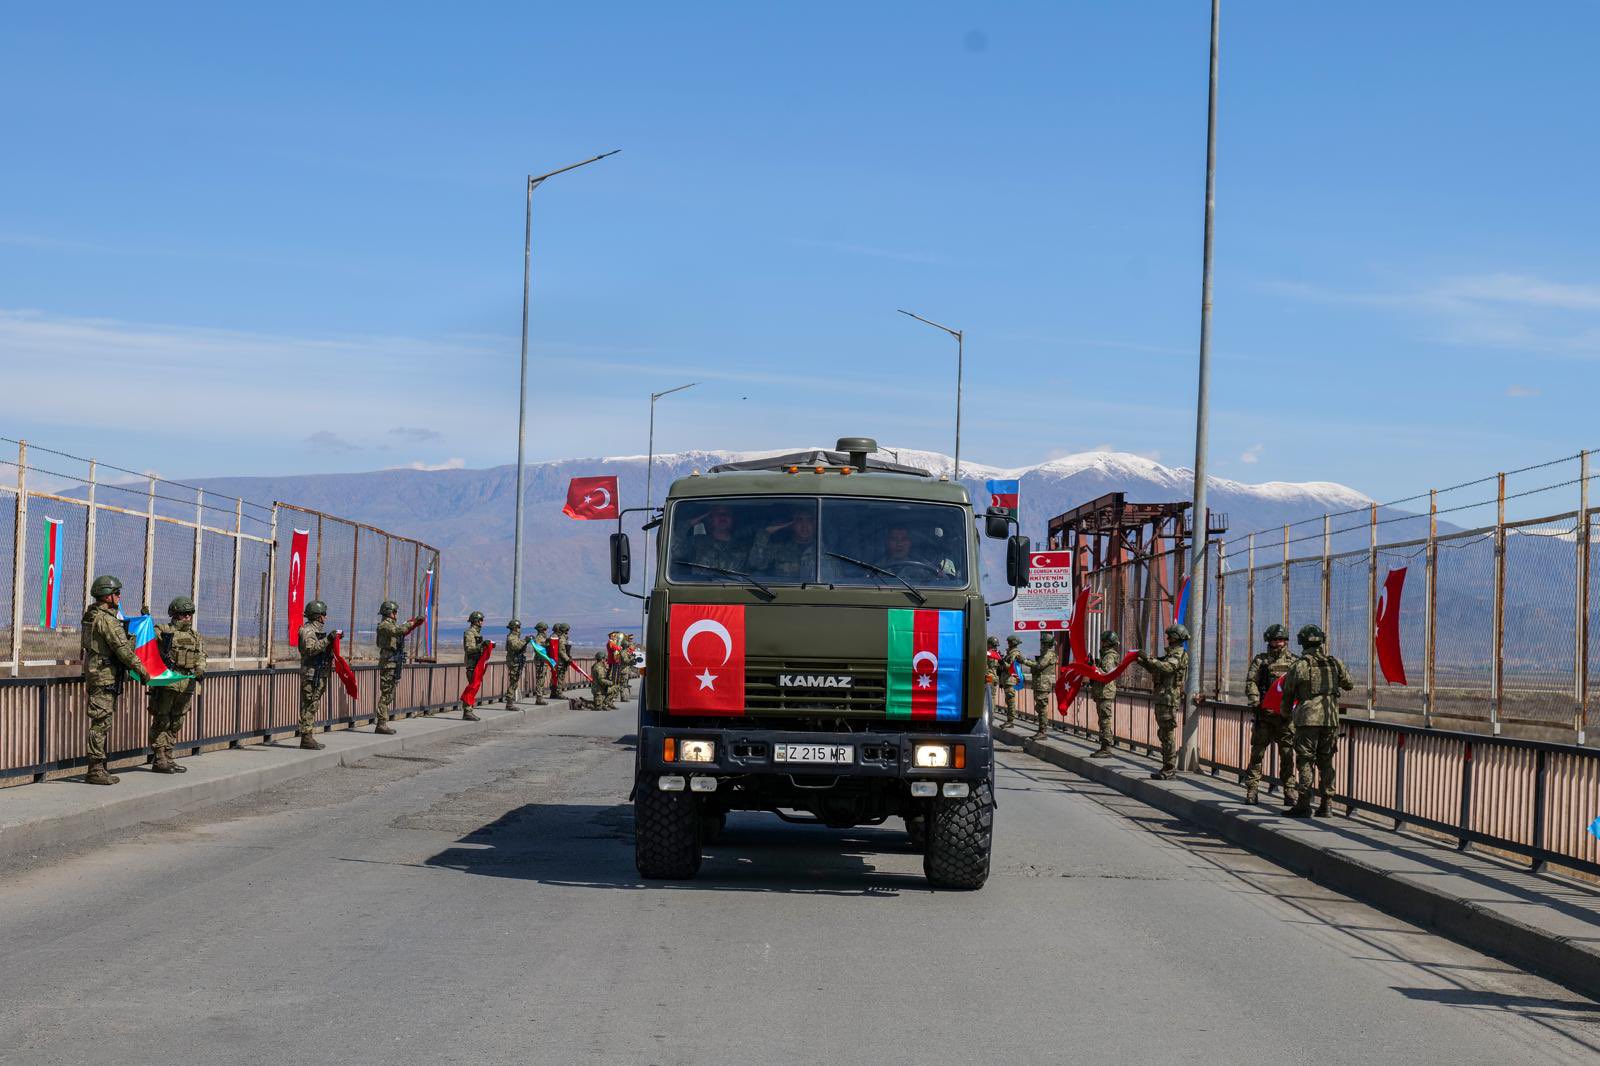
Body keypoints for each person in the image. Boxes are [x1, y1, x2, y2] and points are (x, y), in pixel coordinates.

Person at [80, 575, 149, 785]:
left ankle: (99, 767)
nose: (119, 596)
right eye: (117, 593)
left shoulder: (94, 615)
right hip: (103, 676)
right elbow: (122, 649)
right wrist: (142, 669)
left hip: (101, 673)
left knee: (103, 721)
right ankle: (95, 769)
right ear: (106, 595)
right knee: (101, 722)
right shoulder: (106, 619)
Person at [1283, 624, 1353, 818]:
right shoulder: (1335, 663)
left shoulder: (1300, 665)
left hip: (1307, 720)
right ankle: (1327, 804)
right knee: (1326, 761)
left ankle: (1304, 804)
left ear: (1302, 642)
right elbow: (1349, 684)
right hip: (1330, 720)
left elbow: (1288, 693)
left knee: (1306, 760)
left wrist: (1285, 714)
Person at [1242, 623, 1298, 805]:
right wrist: (1256, 702)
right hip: (1264, 716)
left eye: (1281, 639)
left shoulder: (1294, 662)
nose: (1278, 643)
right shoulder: (1261, 661)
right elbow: (1251, 682)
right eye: (1275, 639)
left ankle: (1289, 792)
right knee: (1257, 754)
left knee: (1288, 756)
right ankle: (1252, 790)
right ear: (1269, 641)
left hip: (1285, 718)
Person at [149, 596, 205, 772]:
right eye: (183, 614)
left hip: (186, 683)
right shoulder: (163, 630)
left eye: (189, 614)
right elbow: (146, 638)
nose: (187, 617)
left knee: (177, 721)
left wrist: (200, 669)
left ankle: (169, 756)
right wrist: (145, 622)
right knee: (162, 720)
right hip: (168, 683)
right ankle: (159, 758)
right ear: (175, 614)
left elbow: (201, 655)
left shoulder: (195, 636)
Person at [1135, 624, 1190, 780]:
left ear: (1177, 637)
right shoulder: (1171, 654)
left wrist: (1149, 659)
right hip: (1163, 697)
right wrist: (1143, 661)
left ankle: (1170, 768)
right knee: (1163, 734)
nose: (1168, 639)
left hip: (1169, 698)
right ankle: (1167, 765)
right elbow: (1156, 669)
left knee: (1167, 734)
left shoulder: (1178, 654)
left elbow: (1167, 668)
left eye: (1170, 636)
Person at [375, 600, 424, 733]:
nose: (396, 614)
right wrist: (413, 622)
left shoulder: (391, 624)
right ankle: (381, 724)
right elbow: (399, 630)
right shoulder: (385, 625)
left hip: (393, 663)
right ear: (388, 613)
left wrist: (413, 624)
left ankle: (382, 723)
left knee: (389, 694)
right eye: (394, 612)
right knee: (386, 695)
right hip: (388, 664)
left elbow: (401, 630)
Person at [297, 600, 338, 750]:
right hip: (311, 674)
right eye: (324, 614)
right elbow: (310, 649)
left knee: (313, 704)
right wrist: (328, 640)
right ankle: (306, 737)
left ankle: (308, 736)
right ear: (318, 616)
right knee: (309, 704)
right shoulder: (307, 631)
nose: (325, 618)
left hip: (318, 672)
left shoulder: (316, 631)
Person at [746, 505, 818, 580]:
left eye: (809, 520)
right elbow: (755, 565)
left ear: (815, 523)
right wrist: (765, 533)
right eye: (799, 520)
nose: (804, 525)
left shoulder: (826, 550)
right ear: (791, 524)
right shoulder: (778, 549)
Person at [1088, 631, 1121, 758]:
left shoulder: (1109, 656)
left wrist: (1094, 668)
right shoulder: (1106, 655)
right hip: (1103, 692)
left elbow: (1106, 673)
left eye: (1103, 641)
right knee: (1102, 720)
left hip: (1105, 692)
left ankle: (1106, 747)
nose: (1102, 643)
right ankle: (1104, 746)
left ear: (1107, 642)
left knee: (1105, 720)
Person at [1021, 632, 1059, 740]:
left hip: (1043, 683)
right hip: (1040, 683)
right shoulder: (1046, 653)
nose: (1041, 645)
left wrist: (1025, 661)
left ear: (1046, 644)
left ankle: (1042, 731)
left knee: (1042, 707)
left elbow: (1039, 666)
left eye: (1043, 643)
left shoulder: (1048, 654)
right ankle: (1041, 730)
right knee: (1039, 707)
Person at [686, 504, 747, 571]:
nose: (723, 516)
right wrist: (688, 524)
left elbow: (757, 567)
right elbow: (675, 552)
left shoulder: (745, 547)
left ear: (733, 519)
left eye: (727, 513)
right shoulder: (695, 542)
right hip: (699, 581)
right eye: (717, 513)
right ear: (710, 519)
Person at [461, 610, 485, 721]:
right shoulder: (470, 633)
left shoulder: (477, 633)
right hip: (472, 665)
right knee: (472, 687)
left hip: (477, 664)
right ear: (475, 621)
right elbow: (469, 649)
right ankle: (467, 711)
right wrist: (481, 647)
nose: (482, 622)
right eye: (480, 620)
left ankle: (469, 710)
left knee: (474, 687)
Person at [999, 636, 1024, 726]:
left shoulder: (1015, 653)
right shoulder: (1009, 653)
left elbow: (1011, 667)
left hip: (1010, 679)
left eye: (1009, 642)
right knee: (1008, 700)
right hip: (1006, 679)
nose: (1008, 643)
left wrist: (1002, 662)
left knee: (1010, 700)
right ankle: (1009, 720)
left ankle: (1010, 721)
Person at [504, 620, 529, 709]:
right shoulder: (511, 637)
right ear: (514, 628)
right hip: (513, 662)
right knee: (513, 682)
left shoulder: (515, 637)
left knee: (514, 682)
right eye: (518, 627)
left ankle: (510, 702)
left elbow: (520, 647)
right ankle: (509, 703)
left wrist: (526, 641)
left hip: (516, 661)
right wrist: (525, 641)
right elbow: (516, 647)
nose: (519, 629)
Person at [530, 622, 551, 705]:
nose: (546, 631)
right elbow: (538, 649)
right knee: (540, 679)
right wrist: (546, 644)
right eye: (545, 629)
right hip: (540, 661)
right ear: (541, 630)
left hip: (543, 660)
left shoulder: (543, 637)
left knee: (542, 679)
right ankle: (539, 698)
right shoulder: (539, 638)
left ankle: (540, 697)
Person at [984, 635, 1001, 717]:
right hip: (995, 677)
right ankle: (991, 714)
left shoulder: (988, 653)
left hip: (988, 677)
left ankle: (989, 714)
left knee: (988, 697)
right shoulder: (997, 655)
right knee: (992, 697)